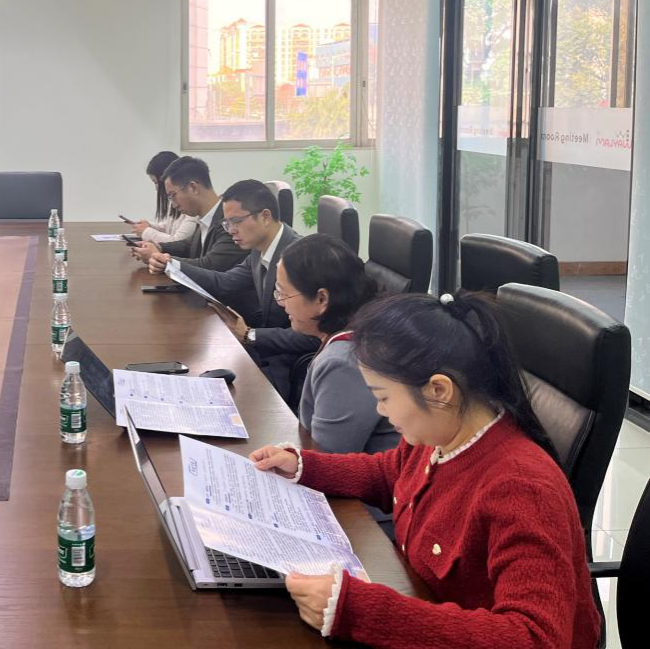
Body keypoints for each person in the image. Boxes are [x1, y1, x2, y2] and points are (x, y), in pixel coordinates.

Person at [250, 292, 599, 649]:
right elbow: (390, 473)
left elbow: (535, 638)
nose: (380, 410)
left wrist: (362, 611)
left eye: (383, 397)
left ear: (439, 390)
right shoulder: (439, 435)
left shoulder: (521, 488)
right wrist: (304, 466)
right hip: (427, 604)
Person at [163, 178, 316, 400]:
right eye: (227, 224)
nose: (231, 231)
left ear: (265, 216)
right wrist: (172, 265)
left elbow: (313, 337)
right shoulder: (259, 249)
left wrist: (249, 335)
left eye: (236, 221)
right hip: (266, 350)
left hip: (286, 364)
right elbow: (225, 282)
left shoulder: (299, 259)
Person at [274, 234, 394, 458]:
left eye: (283, 293)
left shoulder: (344, 362)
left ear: (322, 299)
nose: (280, 303)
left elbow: (328, 460)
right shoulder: (363, 327)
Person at [130, 156, 245, 272]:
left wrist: (160, 259)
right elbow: (188, 245)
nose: (174, 205)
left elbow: (210, 265)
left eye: (173, 195)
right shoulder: (206, 216)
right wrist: (158, 247)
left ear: (193, 187)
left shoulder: (230, 220)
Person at [130, 150, 196, 244]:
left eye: (156, 182)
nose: (156, 188)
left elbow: (177, 241)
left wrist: (146, 231)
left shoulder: (192, 208)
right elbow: (169, 228)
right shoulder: (175, 202)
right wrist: (149, 226)